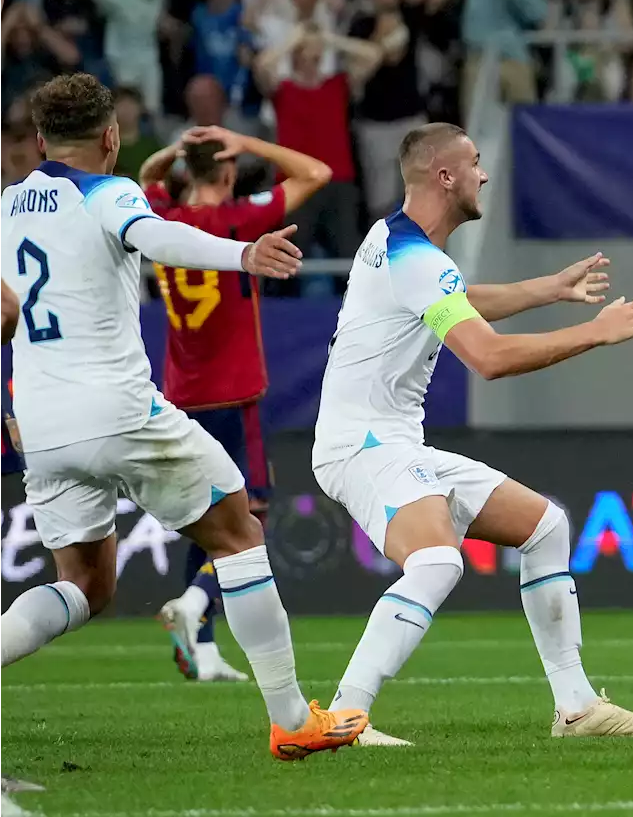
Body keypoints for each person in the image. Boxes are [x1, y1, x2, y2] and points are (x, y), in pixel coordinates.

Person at [0, 73, 367, 760]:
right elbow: (156, 235)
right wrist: (243, 253)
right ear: (110, 137)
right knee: (239, 531)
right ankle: (291, 719)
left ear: (42, 141)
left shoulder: (7, 206)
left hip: (42, 426)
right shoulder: (107, 192)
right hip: (116, 408)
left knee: (83, 584)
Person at [313, 122, 633, 745]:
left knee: (545, 527)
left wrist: (550, 290)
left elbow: (460, 295)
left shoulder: (398, 243)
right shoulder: (417, 257)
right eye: (474, 163)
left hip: (394, 444)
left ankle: (577, 708)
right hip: (363, 447)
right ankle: (344, 717)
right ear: (445, 177)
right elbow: (490, 359)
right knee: (435, 561)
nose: (484, 174)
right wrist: (596, 332)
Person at [139, 124, 332, 683]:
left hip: (181, 396)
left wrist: (177, 152)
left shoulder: (161, 220)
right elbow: (315, 172)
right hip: (235, 394)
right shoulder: (237, 221)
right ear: (226, 171)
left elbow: (148, 176)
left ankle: (199, 651)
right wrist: (247, 143)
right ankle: (197, 604)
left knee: (202, 520)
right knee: (252, 515)